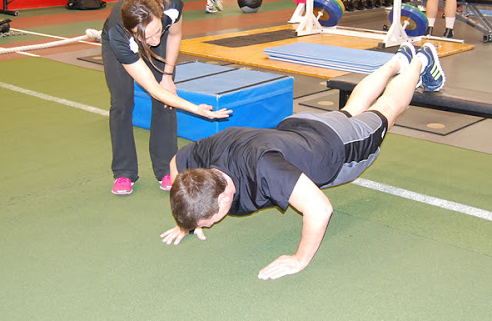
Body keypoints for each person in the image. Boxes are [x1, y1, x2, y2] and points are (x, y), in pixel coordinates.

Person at [161, 42, 445, 280]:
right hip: (297, 126)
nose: (209, 225)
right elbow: (177, 164)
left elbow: (320, 210)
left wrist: (299, 259)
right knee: (351, 109)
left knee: (387, 110)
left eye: (209, 220)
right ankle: (398, 59)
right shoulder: (205, 159)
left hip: (337, 146)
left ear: (224, 198)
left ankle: (420, 59)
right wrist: (189, 218)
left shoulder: (265, 170)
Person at [101, 0, 231, 196]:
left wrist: (168, 76)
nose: (154, 41)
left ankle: (167, 168)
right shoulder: (120, 35)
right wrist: (196, 108)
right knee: (121, 103)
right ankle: (123, 172)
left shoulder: (170, 5)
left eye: (156, 31)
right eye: (147, 36)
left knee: (165, 101)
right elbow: (152, 89)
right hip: (121, 43)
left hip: (149, 32)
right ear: (132, 31)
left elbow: (175, 34)